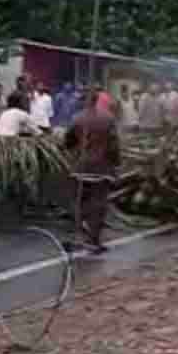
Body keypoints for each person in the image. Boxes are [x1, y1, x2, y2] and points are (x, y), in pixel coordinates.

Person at [64, 92, 120, 251]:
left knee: (79, 202)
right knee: (98, 204)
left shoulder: (77, 118)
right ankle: (93, 239)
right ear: (96, 100)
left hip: (80, 167)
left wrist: (73, 150)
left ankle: (78, 236)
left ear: (84, 101)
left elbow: (68, 140)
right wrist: (116, 163)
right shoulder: (108, 119)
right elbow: (114, 144)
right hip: (100, 168)